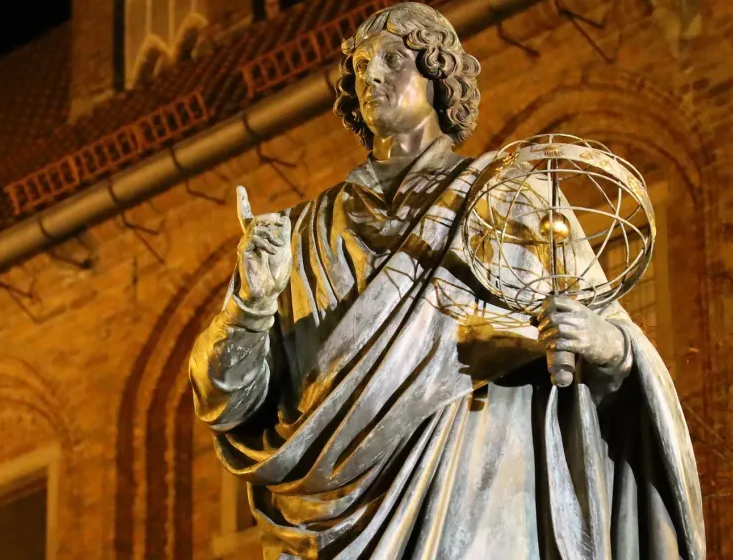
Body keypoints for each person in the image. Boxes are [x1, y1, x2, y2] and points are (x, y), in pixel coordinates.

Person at [188, 3, 705, 558]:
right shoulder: (301, 233)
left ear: (438, 75)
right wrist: (250, 306)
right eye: (361, 67)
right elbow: (227, 403)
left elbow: (618, 346)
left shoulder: (512, 202)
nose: (372, 76)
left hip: (484, 498)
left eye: (392, 59)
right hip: (322, 525)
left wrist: (600, 343)